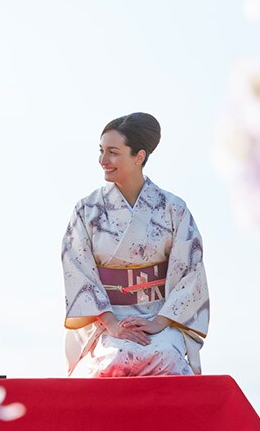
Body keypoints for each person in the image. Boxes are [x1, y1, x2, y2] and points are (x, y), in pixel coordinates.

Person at [61, 112, 209, 377]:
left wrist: (158, 322)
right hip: (104, 319)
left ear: (138, 156)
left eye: (113, 152)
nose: (103, 161)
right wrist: (112, 323)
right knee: (114, 362)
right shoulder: (87, 210)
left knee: (166, 360)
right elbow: (77, 270)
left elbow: (190, 274)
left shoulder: (173, 209)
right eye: (101, 151)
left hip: (159, 315)